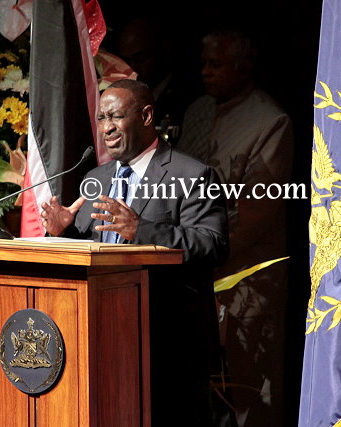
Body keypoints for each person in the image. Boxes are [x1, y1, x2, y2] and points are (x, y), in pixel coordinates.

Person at [40, 79, 228, 425]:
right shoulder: (96, 178)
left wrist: (141, 229)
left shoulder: (192, 174)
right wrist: (63, 230)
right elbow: (94, 252)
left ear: (146, 116)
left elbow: (212, 245)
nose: (106, 128)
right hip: (99, 338)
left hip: (168, 345)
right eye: (101, 118)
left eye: (115, 116)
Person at [178, 29, 294, 426]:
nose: (205, 72)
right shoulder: (197, 111)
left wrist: (194, 248)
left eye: (216, 64)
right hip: (195, 273)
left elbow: (255, 213)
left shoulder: (270, 120)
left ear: (244, 69)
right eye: (203, 64)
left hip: (246, 275)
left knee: (249, 385)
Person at [116, 16, 199, 144]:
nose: (133, 68)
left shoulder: (186, 96)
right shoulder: (122, 100)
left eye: (141, 58)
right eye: (126, 61)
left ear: (163, 49)